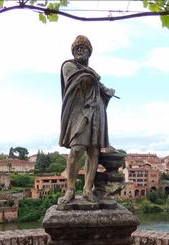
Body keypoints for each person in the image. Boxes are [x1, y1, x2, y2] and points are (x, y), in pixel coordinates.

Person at [58, 35, 115, 204]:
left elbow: (97, 90)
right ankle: (70, 190)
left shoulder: (92, 74)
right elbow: (79, 80)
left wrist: (106, 92)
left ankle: (88, 189)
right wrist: (95, 79)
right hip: (79, 113)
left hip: (96, 112)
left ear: (89, 53)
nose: (80, 51)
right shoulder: (68, 66)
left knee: (93, 151)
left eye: (83, 49)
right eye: (77, 49)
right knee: (77, 149)